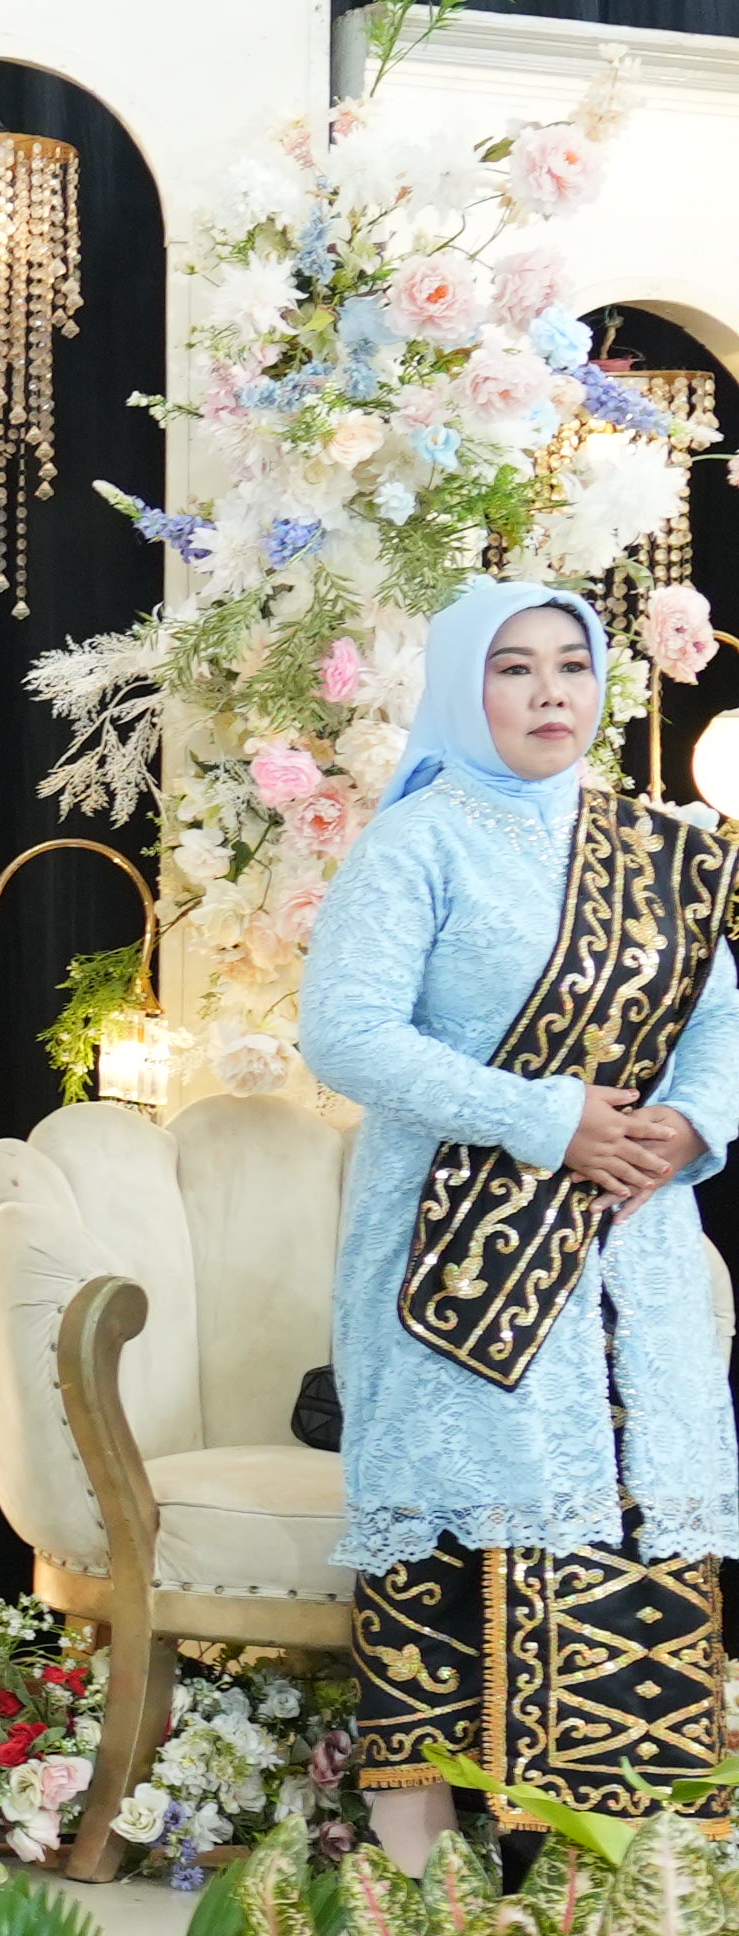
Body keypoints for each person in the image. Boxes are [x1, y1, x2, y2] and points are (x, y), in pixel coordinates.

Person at [301, 580, 739, 1866]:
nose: (551, 692)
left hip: (634, 1253)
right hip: (457, 1266)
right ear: (462, 688)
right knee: (443, 1569)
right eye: (514, 667)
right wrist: (547, 1120)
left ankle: (619, 1904)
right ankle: (423, 1900)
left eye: (571, 665)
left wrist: (692, 1125)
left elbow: (721, 1019)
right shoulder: (417, 843)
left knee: (639, 1551)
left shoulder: (661, 849)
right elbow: (348, 1034)